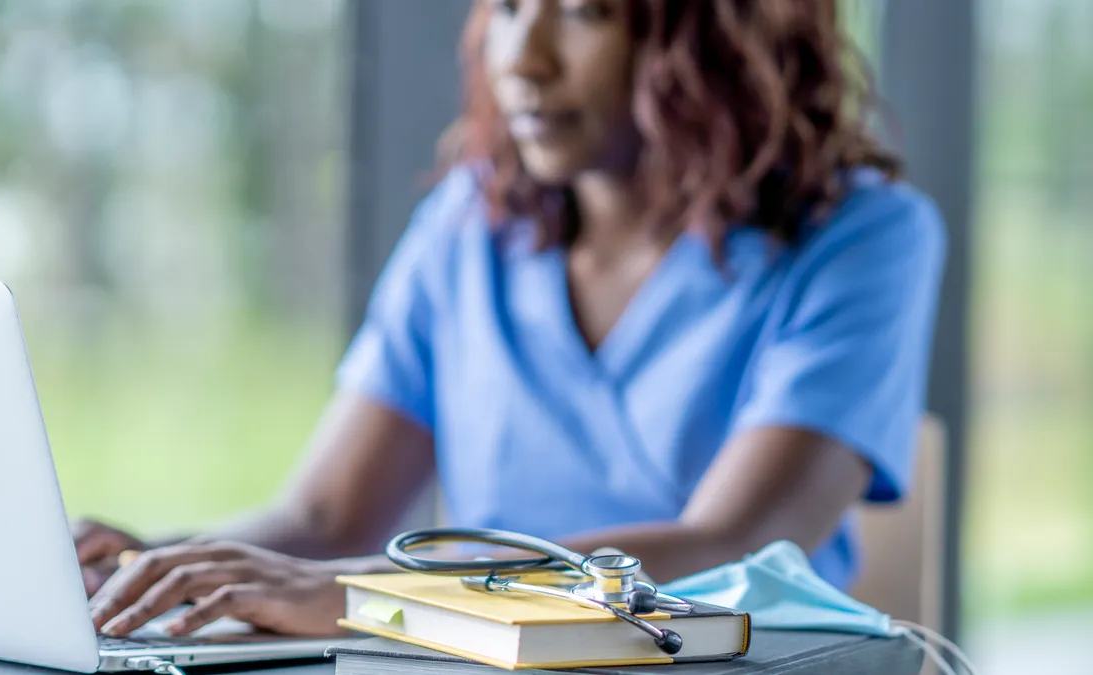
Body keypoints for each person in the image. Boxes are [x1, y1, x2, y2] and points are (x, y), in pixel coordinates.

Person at [80, 0, 945, 641]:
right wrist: (155, 565)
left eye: (582, 11)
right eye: (506, 9)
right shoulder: (467, 230)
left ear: (714, 32)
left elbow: (736, 539)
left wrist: (362, 590)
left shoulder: (865, 236)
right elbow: (321, 519)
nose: (522, 60)